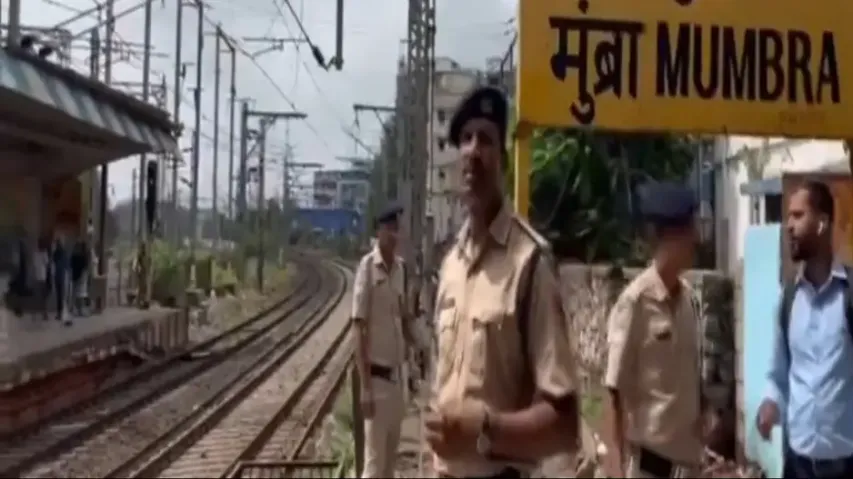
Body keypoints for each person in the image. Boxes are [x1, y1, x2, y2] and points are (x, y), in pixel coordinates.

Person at [427, 86, 579, 479]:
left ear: (503, 160)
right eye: (465, 139)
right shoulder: (450, 267)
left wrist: (484, 430)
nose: (473, 151)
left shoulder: (530, 263)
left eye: (486, 140)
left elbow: (564, 426)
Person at [603, 182, 707, 478]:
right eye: (689, 231)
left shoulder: (689, 301)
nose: (696, 240)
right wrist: (613, 458)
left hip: (688, 467)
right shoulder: (635, 303)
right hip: (650, 467)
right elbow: (613, 387)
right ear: (665, 236)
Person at [757, 180, 853, 479]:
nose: (788, 226)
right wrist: (770, 402)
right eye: (788, 217)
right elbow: (778, 373)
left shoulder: (849, 294)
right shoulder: (788, 299)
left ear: (822, 223)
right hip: (797, 466)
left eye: (798, 216)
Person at [352, 203, 420, 478]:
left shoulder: (401, 270)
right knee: (374, 466)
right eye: (389, 229)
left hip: (397, 383)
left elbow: (404, 321)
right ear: (379, 231)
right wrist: (365, 388)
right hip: (376, 381)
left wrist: (417, 354)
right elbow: (358, 328)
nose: (394, 235)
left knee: (389, 467)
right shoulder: (367, 269)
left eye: (397, 229)